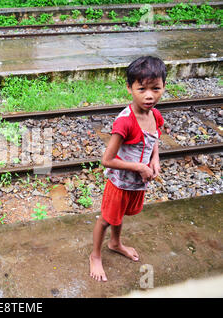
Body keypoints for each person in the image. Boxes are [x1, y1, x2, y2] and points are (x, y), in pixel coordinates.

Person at [89, 56, 166, 282]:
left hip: (137, 182)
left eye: (156, 88)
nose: (149, 95)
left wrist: (155, 161)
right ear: (129, 88)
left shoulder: (155, 115)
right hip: (120, 183)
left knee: (120, 215)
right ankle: (95, 255)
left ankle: (115, 243)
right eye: (141, 89)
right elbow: (107, 159)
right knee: (106, 219)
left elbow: (155, 140)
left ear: (164, 87)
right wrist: (140, 167)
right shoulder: (125, 122)